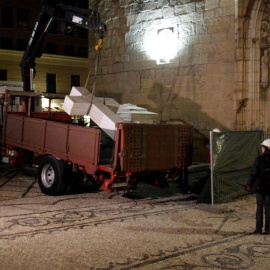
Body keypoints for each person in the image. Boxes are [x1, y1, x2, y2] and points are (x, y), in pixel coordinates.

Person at [246, 139, 270, 235]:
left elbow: (254, 173)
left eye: (263, 147)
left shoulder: (259, 159)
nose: (261, 148)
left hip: (260, 187)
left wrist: (249, 184)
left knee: (259, 208)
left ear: (266, 148)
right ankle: (268, 229)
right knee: (268, 209)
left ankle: (258, 229)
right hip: (269, 188)